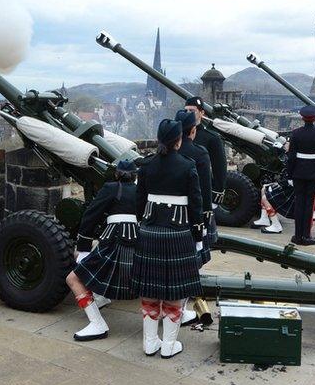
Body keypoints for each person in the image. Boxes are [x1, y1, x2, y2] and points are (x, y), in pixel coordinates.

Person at [131, 119, 203, 358]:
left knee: (149, 289)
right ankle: (169, 345)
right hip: (178, 233)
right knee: (175, 292)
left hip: (150, 232)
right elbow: (196, 204)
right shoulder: (187, 165)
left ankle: (150, 342)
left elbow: (139, 202)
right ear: (179, 140)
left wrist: (144, 223)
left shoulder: (147, 165)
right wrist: (198, 234)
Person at [66, 160, 139, 341]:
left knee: (74, 278)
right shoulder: (142, 190)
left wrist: (82, 247)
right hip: (139, 239)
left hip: (113, 239)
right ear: (135, 175)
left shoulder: (110, 187)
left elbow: (91, 215)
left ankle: (97, 323)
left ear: (116, 175)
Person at [174, 109, 212, 327]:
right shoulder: (199, 153)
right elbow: (204, 192)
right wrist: (204, 220)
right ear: (193, 130)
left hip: (170, 216)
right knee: (191, 264)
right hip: (192, 216)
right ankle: (181, 306)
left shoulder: (169, 153)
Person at [285, 105, 315, 246]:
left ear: (302, 118)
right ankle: (306, 236)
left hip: (298, 173)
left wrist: (289, 175)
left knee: (299, 204)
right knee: (309, 206)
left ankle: (297, 236)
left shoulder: (295, 133)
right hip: (314, 173)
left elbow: (291, 157)